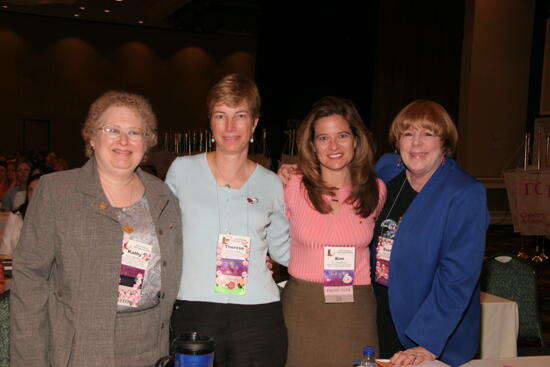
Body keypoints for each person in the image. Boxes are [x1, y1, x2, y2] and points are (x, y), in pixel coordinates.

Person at [11, 91, 183, 367]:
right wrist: (31, 360)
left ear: (147, 142)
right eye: (112, 130)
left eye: (135, 132)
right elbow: (29, 280)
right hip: (81, 349)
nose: (124, 140)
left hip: (152, 347)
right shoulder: (57, 191)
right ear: (92, 137)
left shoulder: (162, 197)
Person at [166, 73, 290, 367]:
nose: (230, 126)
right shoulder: (181, 171)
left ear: (254, 123)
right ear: (210, 122)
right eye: (221, 115)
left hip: (258, 315)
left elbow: (284, 250)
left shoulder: (272, 183)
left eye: (240, 115)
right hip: (194, 310)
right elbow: (161, 238)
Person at [371, 100, 489, 366]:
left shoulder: (464, 193)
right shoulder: (387, 172)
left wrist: (426, 342)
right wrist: (296, 173)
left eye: (428, 134)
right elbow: (345, 177)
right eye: (408, 133)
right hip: (381, 311)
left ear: (444, 142)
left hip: (428, 324)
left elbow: (458, 277)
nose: (416, 143)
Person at [281, 96, 386, 367]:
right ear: (312, 145)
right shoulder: (291, 186)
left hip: (356, 310)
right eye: (323, 138)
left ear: (356, 139)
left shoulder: (376, 190)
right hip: (304, 309)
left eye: (342, 135)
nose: (334, 146)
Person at [0, 173, 42, 256]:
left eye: (38, 189)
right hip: (16, 265)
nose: (33, 194)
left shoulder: (57, 218)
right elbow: (5, 250)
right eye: (30, 189)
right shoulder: (15, 216)